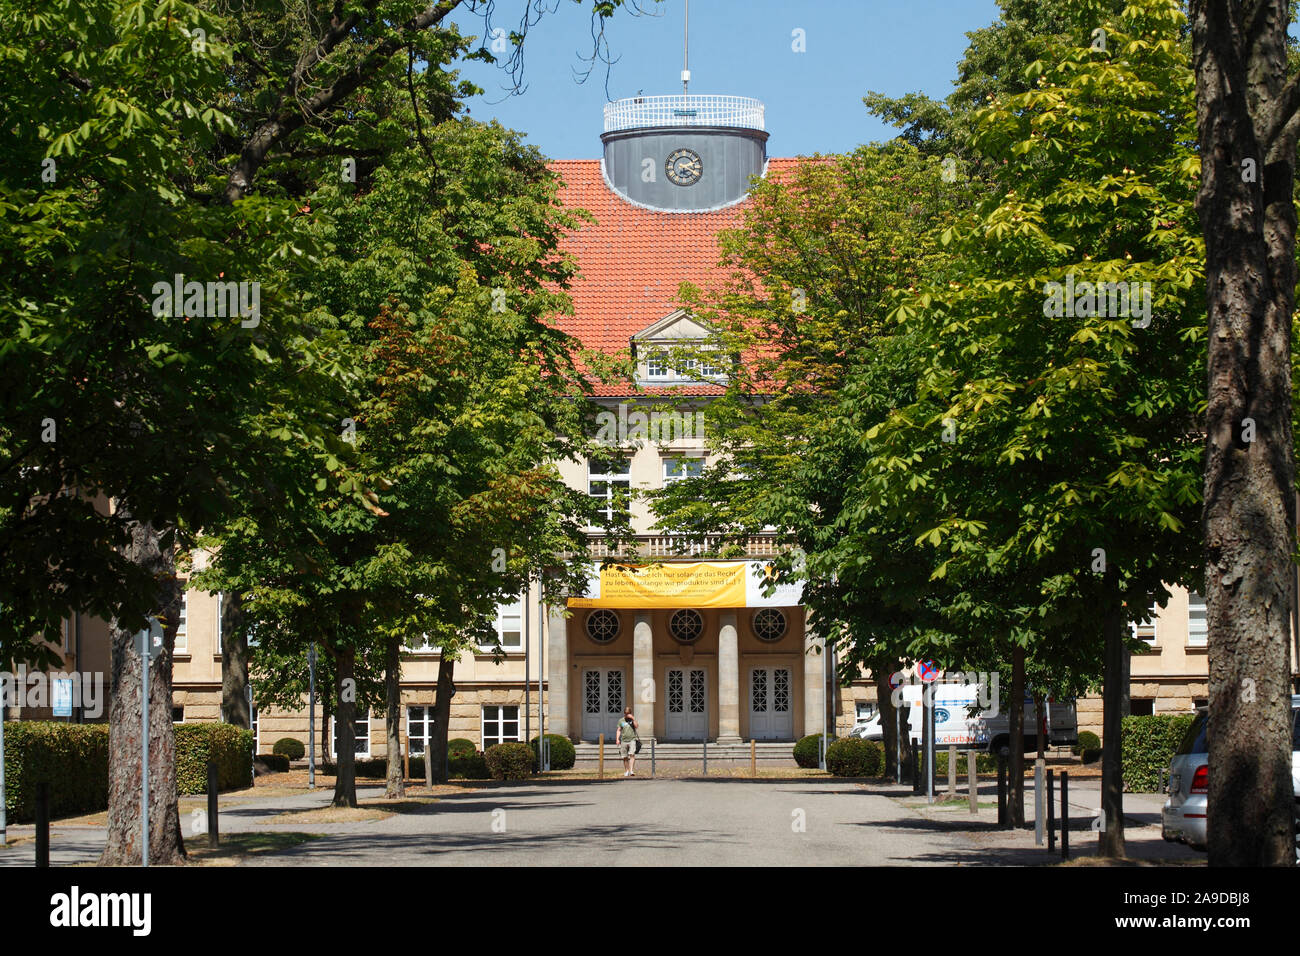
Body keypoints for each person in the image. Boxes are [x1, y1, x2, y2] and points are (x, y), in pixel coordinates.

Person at [616, 707, 639, 777]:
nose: (627, 715)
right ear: (624, 713)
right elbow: (619, 730)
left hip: (632, 739)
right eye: (626, 713)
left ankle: (631, 770)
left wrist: (633, 718)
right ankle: (626, 770)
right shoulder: (621, 720)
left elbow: (636, 726)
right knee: (624, 756)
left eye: (628, 713)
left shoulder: (632, 720)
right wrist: (617, 739)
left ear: (630, 713)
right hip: (623, 740)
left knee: (632, 754)